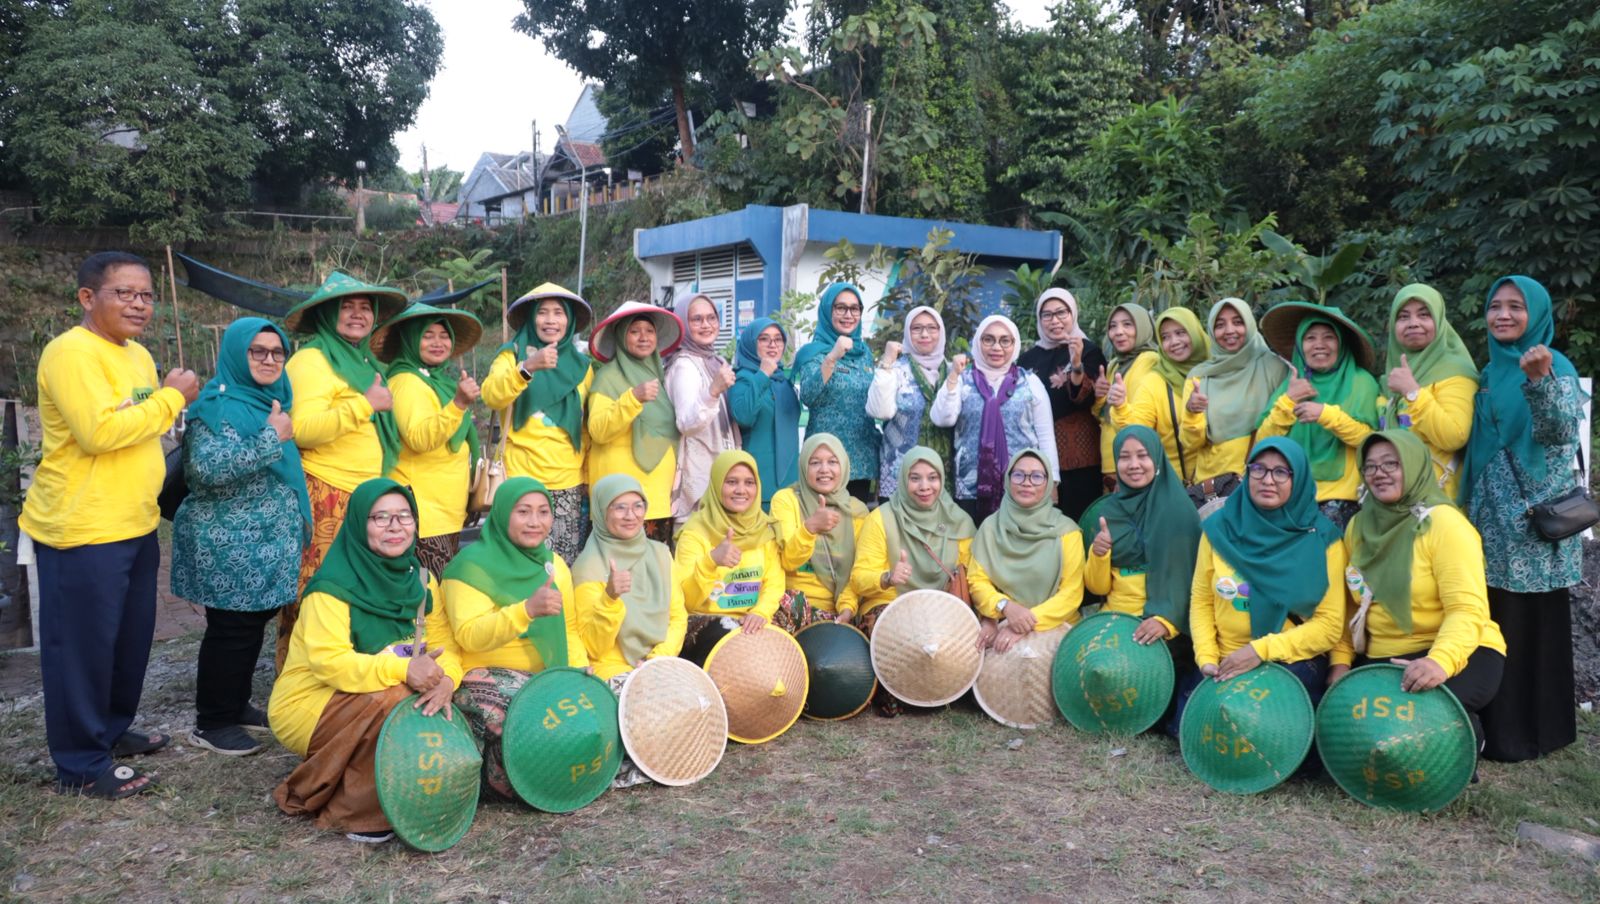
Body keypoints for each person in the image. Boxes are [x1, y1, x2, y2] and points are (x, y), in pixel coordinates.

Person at [21, 251, 199, 797]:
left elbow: (140, 423)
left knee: (126, 642)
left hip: (134, 522)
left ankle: (111, 731)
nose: (139, 304)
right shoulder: (70, 353)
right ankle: (80, 764)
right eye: (124, 293)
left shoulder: (138, 356)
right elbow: (99, 433)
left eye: (145, 295)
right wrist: (172, 397)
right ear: (87, 297)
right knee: (81, 650)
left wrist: (163, 403)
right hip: (82, 528)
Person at [268, 480, 463, 843]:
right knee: (396, 698)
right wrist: (404, 669)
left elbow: (446, 646)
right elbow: (330, 663)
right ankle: (353, 811)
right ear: (359, 524)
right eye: (380, 517)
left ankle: (383, 780)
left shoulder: (420, 581)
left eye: (404, 516)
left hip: (376, 688)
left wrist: (448, 680)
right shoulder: (332, 589)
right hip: (310, 702)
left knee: (439, 697)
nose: (395, 526)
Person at [1459, 275, 1585, 762]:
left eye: (1516, 306)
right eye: (1496, 306)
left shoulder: (1555, 365)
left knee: (1533, 628)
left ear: (1536, 314)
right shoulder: (1490, 372)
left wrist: (1539, 381)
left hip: (1533, 527)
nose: (1504, 315)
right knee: (1495, 622)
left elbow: (1560, 432)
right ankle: (1495, 727)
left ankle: (1533, 733)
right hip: (1490, 524)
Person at [171, 318, 307, 757]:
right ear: (235, 354)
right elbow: (206, 471)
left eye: (277, 352)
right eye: (257, 351)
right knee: (231, 630)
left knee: (250, 627)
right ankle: (212, 722)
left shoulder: (269, 400)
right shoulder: (217, 408)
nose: (269, 359)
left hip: (263, 543)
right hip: (229, 542)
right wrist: (272, 437)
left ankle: (235, 704)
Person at [1333, 430, 1506, 744]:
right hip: (1385, 656)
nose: (1379, 473)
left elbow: (1467, 609)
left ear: (1414, 465)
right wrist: (1341, 664)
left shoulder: (1446, 525)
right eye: (1370, 466)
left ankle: (1468, 736)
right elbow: (1349, 607)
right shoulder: (1359, 526)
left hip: (1458, 650)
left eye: (1391, 463)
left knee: (1405, 730)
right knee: (1350, 735)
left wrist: (1439, 661)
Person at [280, 271, 409, 668]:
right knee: (319, 590)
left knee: (357, 590)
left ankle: (353, 670)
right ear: (326, 314)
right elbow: (301, 429)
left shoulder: (364, 361)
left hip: (364, 495)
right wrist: (364, 404)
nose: (357, 314)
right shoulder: (312, 360)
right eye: (346, 307)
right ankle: (301, 675)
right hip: (327, 492)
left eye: (365, 308)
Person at [441, 477, 588, 801]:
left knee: (589, 716)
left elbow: (569, 630)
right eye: (523, 512)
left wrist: (577, 673)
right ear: (503, 514)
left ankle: (512, 778)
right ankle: (494, 779)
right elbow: (469, 636)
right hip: (483, 675)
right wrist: (525, 611)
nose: (535, 522)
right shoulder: (469, 567)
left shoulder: (553, 565)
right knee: (529, 718)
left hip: (544, 675)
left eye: (543, 512)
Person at [1184, 438, 1346, 718]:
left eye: (1281, 472)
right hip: (1224, 660)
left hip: (1286, 661)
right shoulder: (1219, 529)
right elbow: (1201, 599)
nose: (1268, 480)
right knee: (1206, 721)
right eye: (1258, 469)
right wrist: (1207, 657)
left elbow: (1329, 625)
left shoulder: (1322, 539)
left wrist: (1259, 651)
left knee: (1264, 723)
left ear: (1298, 479)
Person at [847, 448, 976, 715]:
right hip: (892, 605)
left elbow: (973, 577)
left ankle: (940, 688)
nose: (924, 486)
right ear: (903, 479)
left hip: (942, 609)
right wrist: (887, 578)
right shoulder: (881, 519)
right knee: (900, 639)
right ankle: (912, 691)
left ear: (942, 480)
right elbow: (859, 578)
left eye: (932, 478)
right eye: (915, 478)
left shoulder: (958, 521)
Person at [481, 284, 594, 563]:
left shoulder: (583, 366)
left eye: (558, 312)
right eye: (542, 312)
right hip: (521, 478)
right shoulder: (511, 355)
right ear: (532, 318)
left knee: (562, 565)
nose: (551, 320)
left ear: (569, 320)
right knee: (518, 562)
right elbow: (492, 395)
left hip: (567, 482)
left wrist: (586, 478)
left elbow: (585, 428)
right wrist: (527, 367)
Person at [373, 304, 483, 576]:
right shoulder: (406, 382)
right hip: (424, 512)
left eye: (444, 335)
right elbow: (420, 438)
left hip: (443, 510)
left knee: (439, 586)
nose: (438, 342)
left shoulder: (437, 381)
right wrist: (458, 404)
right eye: (427, 335)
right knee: (427, 588)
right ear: (410, 341)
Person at [1258, 305, 1379, 530]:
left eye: (1329, 337)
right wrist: (1288, 401)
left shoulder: (1361, 382)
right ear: (1300, 346)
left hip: (1343, 498)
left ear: (1341, 344)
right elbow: (1263, 443)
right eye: (1310, 338)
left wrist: (1326, 414)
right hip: (1290, 497)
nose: (1319, 345)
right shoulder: (1291, 385)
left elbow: (1370, 440)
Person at [1085, 426, 1200, 662]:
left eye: (1143, 455)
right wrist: (1099, 554)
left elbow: (1191, 579)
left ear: (1156, 459)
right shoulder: (1108, 512)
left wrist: (1166, 621)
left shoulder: (1179, 511)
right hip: (1116, 617)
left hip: (1166, 622)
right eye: (1124, 457)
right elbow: (1098, 588)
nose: (1134, 465)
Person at [931, 315, 1058, 521]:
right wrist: (953, 375)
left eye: (1005, 340)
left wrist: (1053, 481)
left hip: (1022, 484)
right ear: (978, 342)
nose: (996, 347)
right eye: (988, 339)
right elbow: (942, 418)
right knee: (972, 537)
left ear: (1015, 344)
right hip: (970, 485)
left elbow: (1045, 435)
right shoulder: (963, 379)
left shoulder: (1030, 381)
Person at [967, 451, 1086, 653]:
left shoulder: (1067, 532)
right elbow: (977, 581)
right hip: (1003, 628)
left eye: (1037, 476)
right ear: (1008, 480)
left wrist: (1025, 623)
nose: (1027, 483)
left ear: (1048, 484)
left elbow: (1071, 594)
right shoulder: (991, 528)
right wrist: (1005, 606)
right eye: (1018, 475)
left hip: (1058, 628)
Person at [572, 475, 686, 681]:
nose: (630, 516)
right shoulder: (588, 567)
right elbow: (593, 648)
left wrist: (657, 659)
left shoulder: (660, 554)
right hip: (611, 668)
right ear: (601, 512)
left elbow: (678, 617)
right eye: (620, 508)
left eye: (638, 506)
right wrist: (609, 598)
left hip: (659, 662)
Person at [587, 301, 682, 544]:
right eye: (634, 331)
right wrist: (633, 399)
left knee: (655, 564)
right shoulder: (607, 378)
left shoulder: (659, 378)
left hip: (657, 498)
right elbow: (598, 429)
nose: (643, 337)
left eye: (649, 331)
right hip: (620, 501)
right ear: (621, 336)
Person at [676, 451, 786, 658]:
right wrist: (711, 561)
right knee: (734, 643)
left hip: (752, 619)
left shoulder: (764, 530)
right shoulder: (695, 532)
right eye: (731, 482)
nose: (741, 490)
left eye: (749, 483)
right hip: (707, 624)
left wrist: (760, 612)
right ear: (717, 484)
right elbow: (686, 600)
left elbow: (774, 584)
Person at [1378, 284, 1478, 498]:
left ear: (1439, 321)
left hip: (1436, 500)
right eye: (1403, 317)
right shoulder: (1390, 379)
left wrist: (1412, 392)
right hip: (1394, 500)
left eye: (1424, 315)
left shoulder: (1455, 372)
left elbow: (1454, 436)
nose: (1413, 323)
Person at [1186, 299, 1290, 499]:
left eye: (1238, 322)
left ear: (1250, 324)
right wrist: (1192, 412)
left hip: (1259, 481)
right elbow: (1191, 443)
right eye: (1220, 325)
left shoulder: (1275, 368)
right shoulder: (1200, 376)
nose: (1229, 330)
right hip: (1210, 487)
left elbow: (1286, 428)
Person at [1018, 289, 1107, 519]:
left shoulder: (1089, 351)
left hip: (1079, 457)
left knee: (1080, 520)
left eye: (1061, 313)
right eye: (1047, 315)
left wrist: (1076, 364)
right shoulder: (1028, 359)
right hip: (1037, 455)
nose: (1054, 320)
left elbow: (1086, 397)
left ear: (1072, 314)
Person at [769, 434, 870, 630]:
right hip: (795, 609)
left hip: (842, 611)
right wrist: (810, 528)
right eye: (815, 462)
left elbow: (858, 571)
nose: (824, 469)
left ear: (843, 466)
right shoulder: (786, 501)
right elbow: (788, 561)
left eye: (832, 462)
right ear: (804, 466)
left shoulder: (857, 511)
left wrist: (847, 608)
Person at [794, 283, 880, 502]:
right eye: (840, 308)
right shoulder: (813, 353)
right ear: (827, 310)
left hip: (861, 460)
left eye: (854, 308)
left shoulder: (864, 354)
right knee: (825, 520)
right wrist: (832, 357)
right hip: (825, 462)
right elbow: (808, 396)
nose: (848, 315)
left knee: (857, 520)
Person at [666, 291, 741, 526]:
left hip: (720, 472)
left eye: (711, 318)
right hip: (698, 481)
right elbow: (686, 423)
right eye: (696, 319)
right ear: (683, 324)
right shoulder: (684, 365)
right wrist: (713, 391)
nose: (706, 325)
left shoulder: (714, 361)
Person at [1113, 307, 1210, 486]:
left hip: (1227, 480)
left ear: (1195, 332)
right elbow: (1137, 431)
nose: (1174, 342)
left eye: (1180, 333)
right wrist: (1120, 407)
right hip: (1177, 486)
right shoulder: (1155, 381)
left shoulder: (1219, 371)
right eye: (1165, 337)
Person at [866, 305, 953, 501]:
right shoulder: (895, 370)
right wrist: (887, 361)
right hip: (899, 472)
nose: (925, 334)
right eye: (917, 328)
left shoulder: (952, 372)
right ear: (907, 332)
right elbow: (880, 411)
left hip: (942, 474)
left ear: (941, 332)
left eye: (932, 328)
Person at [727, 317, 800, 508]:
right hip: (759, 481)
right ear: (751, 343)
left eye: (778, 339)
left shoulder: (783, 381)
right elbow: (743, 416)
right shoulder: (742, 378)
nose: (772, 344)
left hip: (791, 480)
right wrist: (762, 374)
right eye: (764, 339)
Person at [1093, 303, 1160, 492]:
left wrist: (1121, 402)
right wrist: (1100, 397)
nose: (1119, 332)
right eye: (1113, 326)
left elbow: (1144, 419)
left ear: (1143, 326)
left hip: (1136, 462)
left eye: (1127, 324)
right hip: (1111, 462)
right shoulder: (1115, 364)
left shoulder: (1150, 360)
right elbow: (1104, 416)